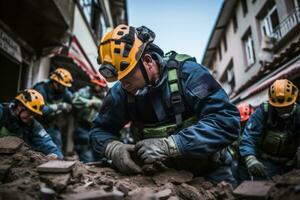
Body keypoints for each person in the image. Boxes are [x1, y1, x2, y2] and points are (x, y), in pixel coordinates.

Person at [90, 24, 240, 185]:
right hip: (157, 175)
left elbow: (226, 121)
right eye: (120, 80)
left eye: (128, 76)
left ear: (147, 61)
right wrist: (114, 149)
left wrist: (171, 145)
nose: (124, 85)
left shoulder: (189, 74)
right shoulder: (123, 91)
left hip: (210, 172)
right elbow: (99, 130)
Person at [240, 79, 300, 180]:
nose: (283, 111)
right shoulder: (263, 112)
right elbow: (249, 137)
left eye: (287, 107)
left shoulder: (298, 113)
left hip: (291, 161)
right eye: (279, 108)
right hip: (267, 163)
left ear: (294, 100)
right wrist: (250, 158)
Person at [0, 89, 63, 158]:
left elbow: (47, 143)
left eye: (34, 114)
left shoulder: (33, 125)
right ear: (19, 106)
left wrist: (55, 155)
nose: (31, 117)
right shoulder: (2, 113)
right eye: (30, 113)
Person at [33, 68, 73, 150]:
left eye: (65, 86)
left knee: (56, 149)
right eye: (62, 86)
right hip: (35, 124)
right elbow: (41, 111)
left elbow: (73, 100)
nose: (64, 88)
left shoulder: (64, 92)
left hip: (51, 125)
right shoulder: (40, 89)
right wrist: (60, 106)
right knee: (34, 148)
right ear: (55, 82)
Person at [72, 78, 107, 163]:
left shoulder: (104, 95)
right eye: (99, 86)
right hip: (83, 126)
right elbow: (74, 100)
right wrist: (91, 102)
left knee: (98, 153)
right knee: (85, 153)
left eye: (102, 87)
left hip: (96, 128)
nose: (100, 88)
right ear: (94, 84)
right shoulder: (86, 91)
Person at [228, 102, 254, 184]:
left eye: (245, 121)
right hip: (239, 160)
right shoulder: (235, 128)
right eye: (241, 122)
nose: (243, 124)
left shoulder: (257, 126)